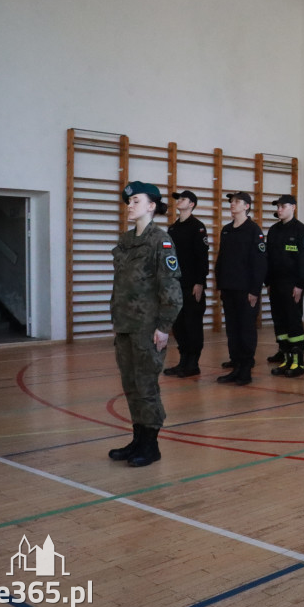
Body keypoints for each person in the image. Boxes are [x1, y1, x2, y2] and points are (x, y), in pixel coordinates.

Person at [108, 181, 183, 467]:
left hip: (148, 327)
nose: (130, 205)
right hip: (125, 325)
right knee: (130, 385)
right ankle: (138, 439)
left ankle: (151, 446)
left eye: (136, 200)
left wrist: (164, 326)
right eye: (129, 201)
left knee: (146, 385)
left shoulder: (160, 240)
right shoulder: (126, 240)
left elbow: (171, 287)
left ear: (152, 206)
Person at [214, 192, 267, 385]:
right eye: (231, 202)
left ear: (247, 206)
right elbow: (222, 259)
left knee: (246, 330)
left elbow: (259, 262)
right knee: (232, 330)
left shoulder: (254, 230)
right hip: (229, 288)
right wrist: (220, 284)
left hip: (246, 290)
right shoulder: (227, 230)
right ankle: (236, 366)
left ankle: (245, 370)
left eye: (237, 202)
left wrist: (254, 290)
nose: (232, 204)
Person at [162, 190, 209, 378]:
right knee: (179, 325)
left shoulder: (198, 227)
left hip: (191, 285)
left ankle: (193, 363)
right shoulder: (172, 229)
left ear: (192, 204)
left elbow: (202, 258)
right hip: (175, 285)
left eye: (182, 199)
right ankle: (183, 361)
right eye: (178, 199)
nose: (178, 201)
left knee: (192, 324)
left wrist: (200, 282)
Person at [266, 193, 304, 377]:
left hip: (292, 285)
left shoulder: (301, 230)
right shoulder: (274, 230)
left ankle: (298, 363)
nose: (279, 210)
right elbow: (268, 258)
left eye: (283, 206)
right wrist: (268, 281)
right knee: (280, 323)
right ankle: (286, 359)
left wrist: (300, 285)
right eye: (277, 207)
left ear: (293, 207)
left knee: (293, 322)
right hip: (275, 284)